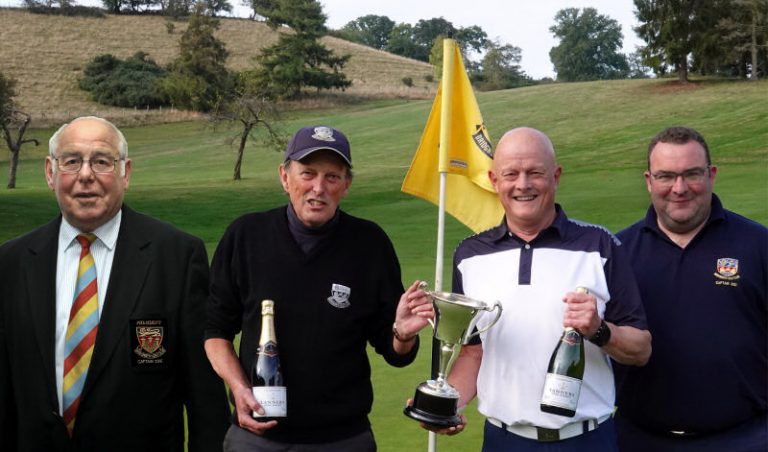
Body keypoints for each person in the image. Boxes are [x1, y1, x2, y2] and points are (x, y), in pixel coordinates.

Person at [0, 116, 230, 451]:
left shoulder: (176, 257)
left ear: (126, 172)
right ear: (50, 172)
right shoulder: (11, 262)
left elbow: (205, 401)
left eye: (101, 161)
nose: (85, 175)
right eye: (72, 161)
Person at [204, 125, 434, 451]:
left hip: (343, 439)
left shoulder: (370, 244)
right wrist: (239, 388)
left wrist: (402, 334)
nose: (319, 187)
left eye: (332, 177)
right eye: (308, 174)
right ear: (285, 177)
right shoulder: (246, 236)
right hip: (257, 438)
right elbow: (215, 332)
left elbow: (395, 352)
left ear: (347, 184)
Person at [428, 127, 652, 451]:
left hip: (586, 441)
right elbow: (473, 352)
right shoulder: (469, 256)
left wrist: (599, 330)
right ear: (494, 180)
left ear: (556, 177)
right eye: (511, 174)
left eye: (535, 172)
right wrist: (445, 406)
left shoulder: (600, 246)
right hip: (504, 441)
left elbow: (641, 349)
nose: (523, 184)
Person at [613, 126, 767, 451]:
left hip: (744, 439)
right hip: (638, 441)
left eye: (692, 174)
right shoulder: (617, 253)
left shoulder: (758, 245)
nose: (679, 188)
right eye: (666, 176)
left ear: (712, 175)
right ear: (649, 180)